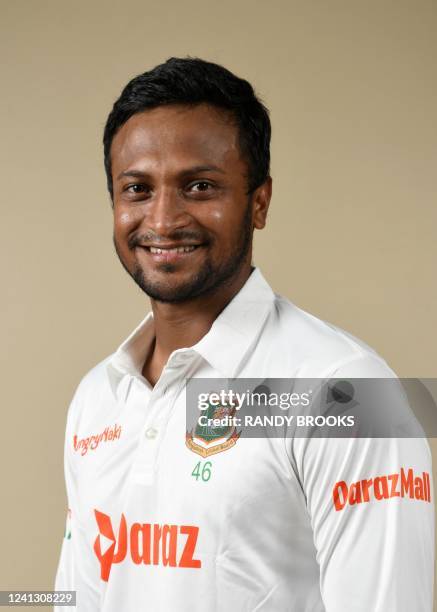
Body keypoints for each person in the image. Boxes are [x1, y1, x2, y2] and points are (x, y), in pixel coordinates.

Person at [54, 57, 434, 611]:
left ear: (259, 201)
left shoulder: (346, 390)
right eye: (137, 189)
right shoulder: (97, 397)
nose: (162, 219)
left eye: (200, 185)